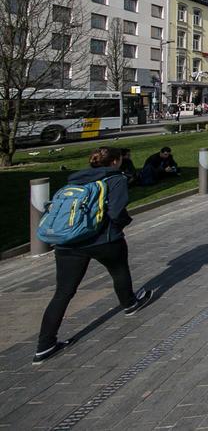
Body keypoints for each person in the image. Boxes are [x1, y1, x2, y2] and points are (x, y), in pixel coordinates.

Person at [34, 147, 152, 364]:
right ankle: (129, 304)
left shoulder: (75, 180)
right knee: (119, 271)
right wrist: (120, 225)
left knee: (63, 292)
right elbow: (116, 212)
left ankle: (45, 345)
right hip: (103, 239)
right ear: (115, 161)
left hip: (68, 242)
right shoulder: (115, 179)